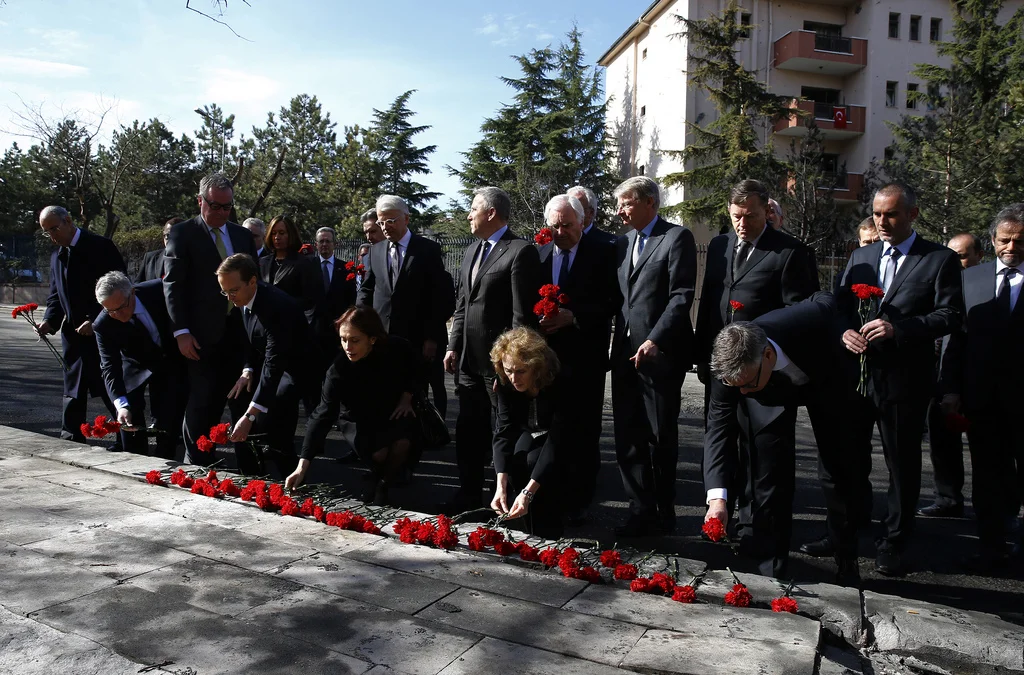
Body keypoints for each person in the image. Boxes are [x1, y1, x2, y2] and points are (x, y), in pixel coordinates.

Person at [833, 182, 962, 576]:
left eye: (891, 214)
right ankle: (848, 533)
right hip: (858, 377)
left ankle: (894, 541)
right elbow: (838, 305)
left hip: (905, 378)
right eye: (876, 214)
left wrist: (899, 329)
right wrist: (843, 331)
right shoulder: (862, 254)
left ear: (913, 214)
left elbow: (951, 315)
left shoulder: (938, 259)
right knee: (848, 459)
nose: (882, 221)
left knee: (901, 463)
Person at [704, 293, 856, 582]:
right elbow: (718, 431)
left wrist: (842, 328)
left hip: (826, 376)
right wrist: (717, 500)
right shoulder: (730, 370)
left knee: (838, 470)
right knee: (768, 472)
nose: (743, 393)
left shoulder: (807, 319)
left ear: (768, 355)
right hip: (772, 389)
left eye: (746, 384)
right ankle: (770, 571)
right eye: (737, 387)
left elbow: (826, 299)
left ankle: (846, 553)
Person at [610, 176, 697, 536]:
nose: (620, 211)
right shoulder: (622, 243)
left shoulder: (676, 238)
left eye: (627, 203)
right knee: (627, 435)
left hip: (659, 355)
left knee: (660, 435)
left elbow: (681, 295)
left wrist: (656, 338)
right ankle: (639, 509)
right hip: (624, 354)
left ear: (650, 203)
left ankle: (664, 509)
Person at [444, 186, 541, 510]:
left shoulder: (519, 251)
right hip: (469, 363)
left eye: (473, 209)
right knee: (468, 428)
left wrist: (509, 364)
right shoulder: (471, 251)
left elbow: (521, 316)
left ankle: (507, 498)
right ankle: (468, 491)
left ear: (491, 213)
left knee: (505, 429)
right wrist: (453, 346)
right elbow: (462, 305)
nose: (468, 215)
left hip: (499, 365)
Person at [939, 206, 1024, 572]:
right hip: (982, 399)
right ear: (992, 241)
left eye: (1020, 240)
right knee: (987, 477)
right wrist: (950, 388)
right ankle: (990, 549)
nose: (1011, 246)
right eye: (1004, 239)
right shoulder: (971, 279)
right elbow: (955, 339)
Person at [163, 172, 258, 465]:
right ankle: (198, 462)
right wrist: (181, 332)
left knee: (243, 400)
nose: (220, 212)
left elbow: (256, 283)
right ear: (200, 201)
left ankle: (249, 466)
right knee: (203, 401)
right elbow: (173, 286)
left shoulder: (242, 236)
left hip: (240, 333)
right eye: (214, 205)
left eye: (226, 207)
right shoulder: (182, 234)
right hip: (200, 337)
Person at [535, 194, 619, 524]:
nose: (560, 232)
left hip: (585, 357)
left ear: (583, 222)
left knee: (583, 431)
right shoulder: (538, 254)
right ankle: (548, 492)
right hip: (546, 357)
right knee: (547, 427)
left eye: (567, 225)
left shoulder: (603, 252)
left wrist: (575, 316)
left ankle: (580, 500)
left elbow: (613, 301)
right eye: (554, 226)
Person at [287, 307, 419, 505]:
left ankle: (384, 483)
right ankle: (378, 475)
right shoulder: (338, 370)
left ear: (372, 339)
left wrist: (407, 396)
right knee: (379, 454)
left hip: (393, 410)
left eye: (355, 340)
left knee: (402, 445)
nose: (348, 347)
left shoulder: (397, 348)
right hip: (358, 418)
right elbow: (322, 415)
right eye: (343, 339)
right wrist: (302, 465)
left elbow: (415, 368)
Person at [218, 254, 318, 477]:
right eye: (224, 291)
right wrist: (247, 370)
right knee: (238, 397)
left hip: (295, 368)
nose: (229, 297)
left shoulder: (277, 307)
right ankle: (250, 473)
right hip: (270, 363)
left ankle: (290, 478)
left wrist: (251, 415)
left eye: (233, 291)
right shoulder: (243, 297)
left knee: (275, 415)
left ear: (252, 282)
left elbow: (275, 364)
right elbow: (249, 338)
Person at [36, 206, 125, 445]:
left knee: (108, 385)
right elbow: (56, 295)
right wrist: (49, 322)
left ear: (68, 221)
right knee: (73, 387)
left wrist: (96, 320)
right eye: (47, 232)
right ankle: (71, 437)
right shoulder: (57, 255)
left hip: (103, 330)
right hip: (73, 333)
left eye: (54, 228)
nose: (52, 236)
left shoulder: (100, 246)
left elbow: (120, 287)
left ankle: (127, 437)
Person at [358, 195, 453, 394]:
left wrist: (432, 338)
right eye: (381, 222)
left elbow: (439, 297)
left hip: (419, 339)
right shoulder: (375, 251)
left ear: (406, 219)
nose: (385, 227)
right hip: (384, 337)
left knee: (425, 393)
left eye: (391, 221)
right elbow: (366, 291)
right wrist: (359, 322)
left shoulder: (428, 250)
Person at [919, 232, 984, 519]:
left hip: (976, 376)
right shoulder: (942, 284)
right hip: (941, 374)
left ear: (979, 255)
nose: (955, 261)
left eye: (962, 255)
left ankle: (995, 509)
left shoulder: (985, 284)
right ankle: (948, 498)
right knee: (942, 441)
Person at [490, 327, 576, 538]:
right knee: (517, 462)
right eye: (509, 370)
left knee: (536, 463)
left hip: (565, 435)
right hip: (529, 430)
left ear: (536, 368)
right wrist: (500, 486)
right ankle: (529, 528)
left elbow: (557, 439)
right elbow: (503, 432)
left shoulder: (560, 381)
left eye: (521, 371)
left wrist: (528, 492)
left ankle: (550, 531)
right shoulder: (504, 381)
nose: (513, 377)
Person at [93, 272, 184, 459]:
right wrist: (121, 405)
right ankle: (134, 458)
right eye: (110, 311)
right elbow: (109, 367)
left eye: (121, 307)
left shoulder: (160, 290)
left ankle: (165, 458)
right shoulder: (103, 324)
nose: (117, 315)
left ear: (132, 293)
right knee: (129, 414)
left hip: (172, 357)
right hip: (136, 364)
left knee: (168, 418)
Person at [259, 215, 323, 323]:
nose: (277, 237)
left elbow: (311, 299)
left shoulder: (305, 263)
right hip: (266, 324)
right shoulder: (262, 262)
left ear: (291, 235)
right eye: (274, 233)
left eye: (282, 233)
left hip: (293, 324)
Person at [312, 226, 356, 366]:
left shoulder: (346, 269)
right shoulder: (307, 267)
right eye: (321, 241)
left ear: (335, 244)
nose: (324, 244)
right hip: (313, 330)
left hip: (337, 330)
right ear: (316, 244)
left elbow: (351, 299)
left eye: (328, 241)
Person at [136, 218, 182, 283]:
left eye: (176, 235)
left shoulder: (195, 260)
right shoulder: (150, 258)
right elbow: (137, 287)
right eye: (168, 235)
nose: (171, 239)